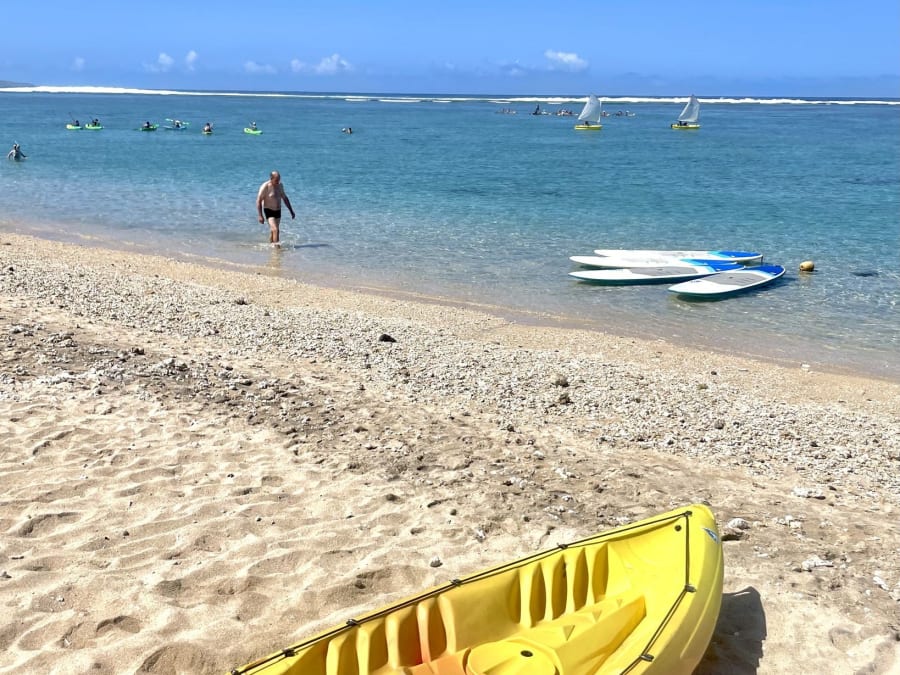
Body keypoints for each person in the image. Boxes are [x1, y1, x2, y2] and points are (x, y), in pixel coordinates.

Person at [256, 170, 295, 245]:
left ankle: (270, 247)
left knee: (274, 231)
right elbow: (258, 200)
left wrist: (291, 211)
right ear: (271, 178)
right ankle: (277, 249)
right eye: (276, 180)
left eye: (279, 179)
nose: (278, 182)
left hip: (278, 211)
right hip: (269, 210)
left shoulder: (280, 185)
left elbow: (285, 198)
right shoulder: (265, 186)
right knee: (275, 230)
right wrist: (260, 215)